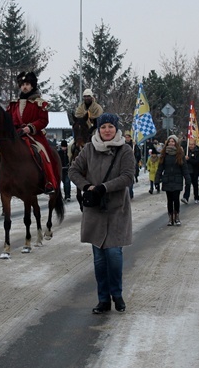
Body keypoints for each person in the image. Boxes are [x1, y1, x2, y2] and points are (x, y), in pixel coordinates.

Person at [69, 113, 134, 315]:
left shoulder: (125, 150)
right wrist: (87, 186)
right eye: (103, 126)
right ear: (98, 129)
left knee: (114, 255)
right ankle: (103, 299)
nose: (107, 130)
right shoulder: (89, 148)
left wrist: (104, 188)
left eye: (110, 127)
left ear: (116, 129)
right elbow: (73, 171)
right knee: (99, 258)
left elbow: (128, 176)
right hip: (94, 210)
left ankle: (117, 294)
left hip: (116, 209)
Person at [7, 71, 60, 194]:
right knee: (0, 153)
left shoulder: (39, 103)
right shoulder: (13, 104)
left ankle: (49, 181)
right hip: (16, 136)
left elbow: (43, 120)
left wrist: (30, 128)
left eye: (27, 84)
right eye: (22, 84)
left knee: (43, 153)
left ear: (32, 86)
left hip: (34, 136)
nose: (24, 86)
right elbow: (9, 120)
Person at [155, 135, 191, 226]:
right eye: (170, 141)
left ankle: (177, 216)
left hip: (177, 179)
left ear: (176, 143)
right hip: (167, 179)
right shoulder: (164, 154)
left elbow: (184, 168)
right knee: (169, 200)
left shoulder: (180, 154)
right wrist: (157, 179)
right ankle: (170, 217)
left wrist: (187, 179)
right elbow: (160, 168)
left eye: (173, 141)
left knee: (176, 199)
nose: (171, 143)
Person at [182, 138, 199, 204]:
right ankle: (186, 197)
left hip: (195, 171)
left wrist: (189, 159)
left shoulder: (197, 152)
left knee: (195, 185)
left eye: (193, 144)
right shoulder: (185, 151)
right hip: (187, 171)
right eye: (190, 144)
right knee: (187, 184)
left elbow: (197, 162)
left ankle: (196, 197)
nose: (191, 146)